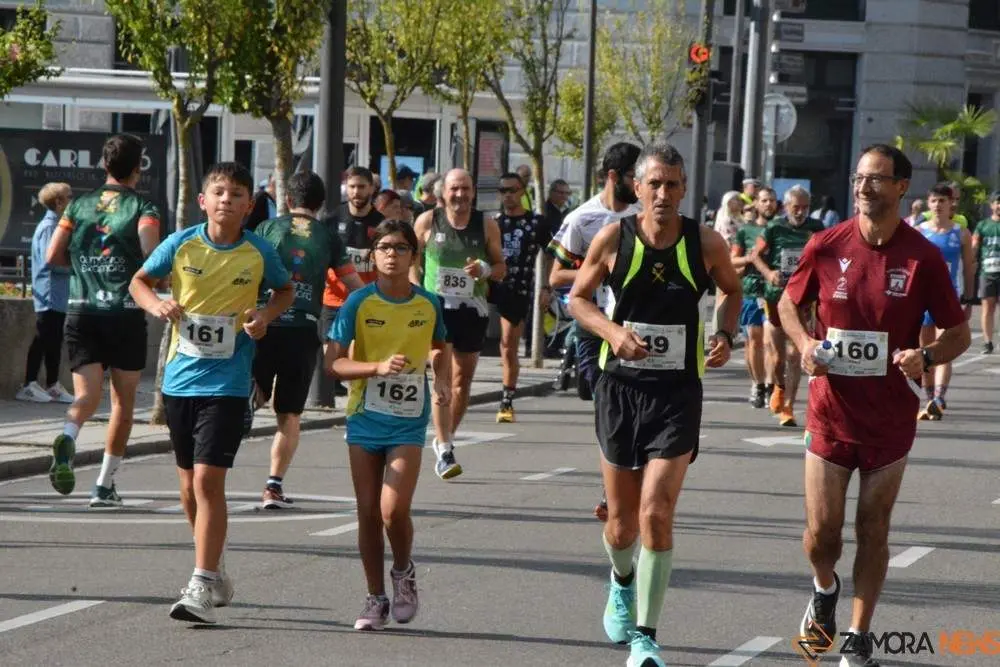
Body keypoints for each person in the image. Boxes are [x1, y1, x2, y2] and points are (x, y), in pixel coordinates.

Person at [779, 144, 970, 667]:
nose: (864, 187)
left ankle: (858, 638)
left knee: (873, 528)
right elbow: (788, 304)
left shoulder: (923, 257)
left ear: (901, 187)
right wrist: (804, 344)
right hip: (830, 411)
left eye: (877, 179)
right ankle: (824, 588)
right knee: (822, 536)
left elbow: (958, 334)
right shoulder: (825, 245)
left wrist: (925, 356)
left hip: (889, 418)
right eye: (859, 177)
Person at [569, 143, 741, 667]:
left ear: (684, 189)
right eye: (654, 184)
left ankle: (646, 637)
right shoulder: (613, 238)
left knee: (656, 513)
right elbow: (578, 299)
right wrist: (612, 332)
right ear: (637, 188)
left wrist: (725, 335)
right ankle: (621, 580)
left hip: (677, 391)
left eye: (672, 184)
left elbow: (731, 291)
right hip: (620, 390)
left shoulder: (705, 242)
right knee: (622, 525)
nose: (663, 193)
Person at [130, 162, 295, 624]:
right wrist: (157, 303)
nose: (227, 200)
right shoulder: (181, 243)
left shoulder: (259, 250)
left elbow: (285, 290)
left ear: (249, 205)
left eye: (237, 194)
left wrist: (264, 316)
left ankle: (200, 582)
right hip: (180, 380)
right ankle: (214, 566)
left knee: (207, 481)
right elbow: (139, 281)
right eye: (219, 192)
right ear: (203, 201)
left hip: (228, 382)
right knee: (187, 487)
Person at [325, 220, 453, 631]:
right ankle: (375, 597)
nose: (392, 254)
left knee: (393, 510)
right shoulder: (358, 303)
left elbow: (440, 347)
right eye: (384, 247)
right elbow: (333, 363)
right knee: (367, 512)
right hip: (365, 416)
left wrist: (443, 380)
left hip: (407, 420)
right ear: (373, 255)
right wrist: (375, 368)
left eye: (400, 248)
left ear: (414, 256)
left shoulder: (428, 303)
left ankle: (403, 572)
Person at [44, 134, 161, 506]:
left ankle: (68, 434)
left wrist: (84, 267)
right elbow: (151, 255)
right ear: (138, 168)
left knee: (86, 396)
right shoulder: (143, 207)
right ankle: (104, 485)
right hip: (125, 314)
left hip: (81, 311)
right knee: (123, 404)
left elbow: (52, 256)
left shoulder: (77, 206)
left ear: (104, 164)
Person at [252, 171, 363, 509]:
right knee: (289, 415)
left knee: (254, 392)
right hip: (303, 330)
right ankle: (273, 486)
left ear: (287, 199)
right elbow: (353, 286)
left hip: (264, 324)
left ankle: (245, 407)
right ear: (321, 203)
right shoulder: (328, 237)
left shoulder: (266, 228)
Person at [548, 142, 642, 521]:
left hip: (632, 326)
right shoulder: (582, 219)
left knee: (625, 405)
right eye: (634, 176)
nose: (640, 184)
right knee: (604, 400)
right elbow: (556, 276)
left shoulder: (644, 215)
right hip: (592, 325)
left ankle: (614, 483)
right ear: (613, 176)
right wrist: (600, 269)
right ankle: (616, 476)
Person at [411, 169, 506, 479]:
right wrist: (416, 289)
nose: (460, 195)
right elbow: (411, 260)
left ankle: (445, 438)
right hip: (437, 308)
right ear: (443, 193)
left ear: (473, 192)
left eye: (465, 189)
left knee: (462, 381)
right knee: (441, 374)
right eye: (454, 189)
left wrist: (485, 269)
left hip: (472, 309)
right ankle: (445, 448)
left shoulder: (486, 225)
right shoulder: (427, 221)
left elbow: (501, 268)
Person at [751, 185, 823, 427]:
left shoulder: (817, 228)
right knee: (778, 357)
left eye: (805, 207)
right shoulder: (774, 227)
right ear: (786, 206)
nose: (800, 212)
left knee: (795, 354)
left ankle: (789, 406)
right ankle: (778, 387)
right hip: (775, 297)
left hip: (802, 299)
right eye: (796, 207)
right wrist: (769, 273)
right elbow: (755, 255)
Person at [489, 172, 550, 423]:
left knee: (508, 345)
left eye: (512, 190)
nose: (507, 195)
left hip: (517, 289)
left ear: (523, 191)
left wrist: (546, 286)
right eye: (503, 191)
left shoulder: (536, 222)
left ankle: (507, 399)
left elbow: (551, 253)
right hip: (489, 287)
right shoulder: (494, 222)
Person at [321, 167, 383, 398]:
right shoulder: (331, 219)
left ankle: (357, 404)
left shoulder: (381, 223)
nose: (356, 192)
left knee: (357, 361)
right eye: (352, 186)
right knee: (332, 360)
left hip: (366, 302)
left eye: (362, 187)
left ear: (372, 188)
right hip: (333, 300)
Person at [915, 184, 975, 420]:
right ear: (928, 204)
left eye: (942, 201)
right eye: (934, 201)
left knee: (944, 348)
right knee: (925, 351)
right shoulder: (919, 231)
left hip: (949, 297)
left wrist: (969, 298)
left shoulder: (961, 233)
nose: (938, 205)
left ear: (951, 204)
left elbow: (969, 268)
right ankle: (930, 399)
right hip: (922, 299)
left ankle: (939, 398)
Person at [18, 182, 75, 404]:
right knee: (43, 338)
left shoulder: (56, 226)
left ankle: (52, 385)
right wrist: (75, 267)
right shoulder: (49, 228)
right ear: (59, 202)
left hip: (57, 294)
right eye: (69, 197)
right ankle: (29, 385)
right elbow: (50, 262)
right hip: (49, 292)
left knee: (53, 340)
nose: (72, 201)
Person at [729, 198, 768, 408]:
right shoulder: (745, 232)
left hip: (775, 292)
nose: (768, 204)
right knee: (754, 340)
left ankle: (771, 385)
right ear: (757, 205)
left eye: (772, 201)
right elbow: (732, 261)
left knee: (771, 342)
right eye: (764, 200)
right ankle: (757, 384)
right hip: (752, 291)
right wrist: (750, 259)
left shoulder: (782, 229)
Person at [972, 191, 1000, 354]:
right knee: (987, 308)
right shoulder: (983, 225)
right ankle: (987, 341)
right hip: (987, 272)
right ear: (991, 205)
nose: (999, 205)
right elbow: (974, 246)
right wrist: (971, 260)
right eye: (997, 202)